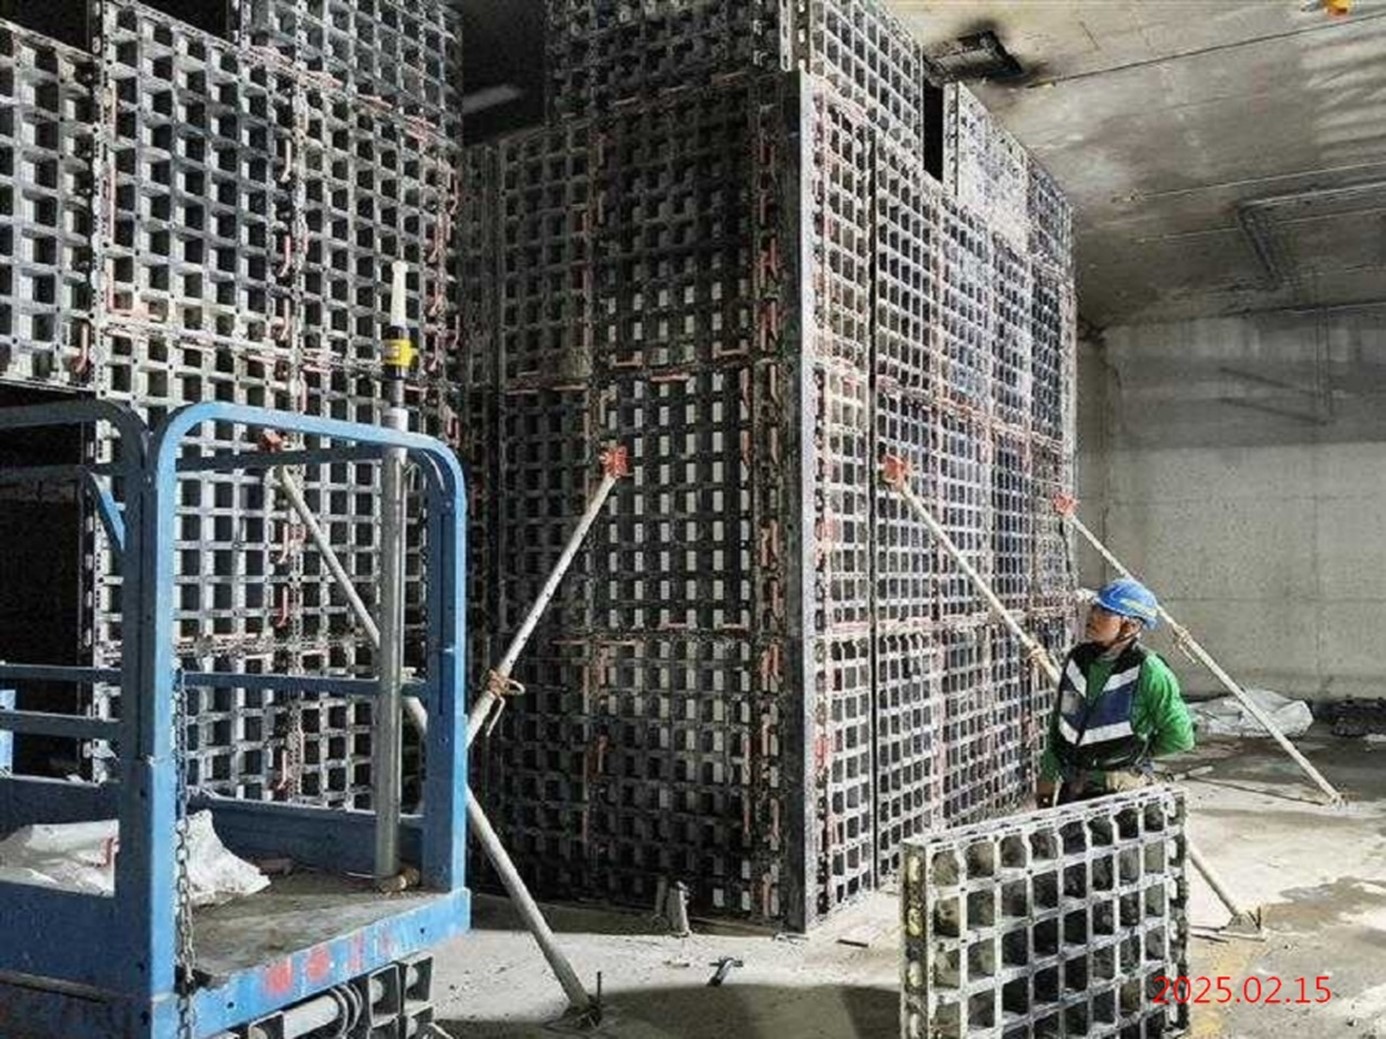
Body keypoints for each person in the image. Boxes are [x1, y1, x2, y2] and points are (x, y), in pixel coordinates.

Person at [1036, 578, 1195, 804]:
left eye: (1105, 611)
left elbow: (1180, 736)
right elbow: (1061, 723)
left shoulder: (1149, 670)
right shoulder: (1078, 660)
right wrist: (1048, 776)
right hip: (1074, 789)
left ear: (1131, 626)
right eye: (1095, 607)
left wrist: (1135, 755)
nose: (1092, 615)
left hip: (1121, 794)